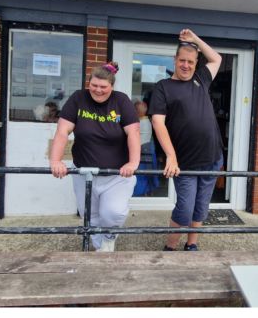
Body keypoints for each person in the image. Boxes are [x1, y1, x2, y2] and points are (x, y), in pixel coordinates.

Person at [49, 62, 141, 252]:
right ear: (89, 82)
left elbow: (133, 133)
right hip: (85, 172)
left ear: (112, 86)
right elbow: (62, 131)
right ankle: (102, 251)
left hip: (117, 174)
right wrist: (55, 160)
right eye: (94, 85)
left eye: (103, 87)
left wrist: (133, 162)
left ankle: (108, 237)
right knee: (90, 215)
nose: (98, 90)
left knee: (113, 213)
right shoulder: (78, 98)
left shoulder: (121, 101)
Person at [148, 29, 224, 251]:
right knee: (184, 208)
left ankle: (192, 244)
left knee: (201, 207)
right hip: (184, 163)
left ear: (196, 62)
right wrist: (171, 156)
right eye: (182, 60)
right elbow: (157, 122)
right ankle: (171, 247)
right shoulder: (163, 87)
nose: (186, 65)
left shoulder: (201, 78)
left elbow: (216, 58)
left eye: (191, 62)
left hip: (211, 158)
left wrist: (195, 40)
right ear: (175, 60)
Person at [133, 100, 159, 196]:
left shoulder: (139, 123)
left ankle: (140, 193)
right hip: (149, 150)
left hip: (142, 151)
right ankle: (148, 191)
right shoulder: (149, 121)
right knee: (148, 174)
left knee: (141, 175)